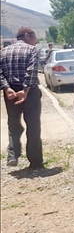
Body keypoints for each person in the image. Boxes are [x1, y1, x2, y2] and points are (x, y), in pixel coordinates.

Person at [0, 27, 43, 169]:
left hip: (11, 94)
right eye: (34, 36)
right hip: (29, 93)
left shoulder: (3, 52)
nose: (35, 40)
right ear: (27, 35)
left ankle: (12, 155)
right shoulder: (32, 50)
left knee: (13, 125)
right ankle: (35, 162)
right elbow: (31, 71)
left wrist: (7, 88)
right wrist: (25, 90)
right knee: (33, 126)